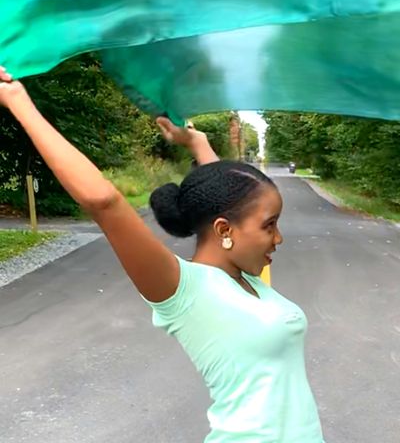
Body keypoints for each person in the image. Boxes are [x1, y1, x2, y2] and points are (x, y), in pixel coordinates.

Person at [0, 66, 325, 443]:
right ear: (224, 230)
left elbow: (232, 195)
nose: (278, 238)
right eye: (270, 225)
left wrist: (197, 142)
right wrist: (17, 100)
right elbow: (103, 201)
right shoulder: (184, 290)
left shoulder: (248, 279)